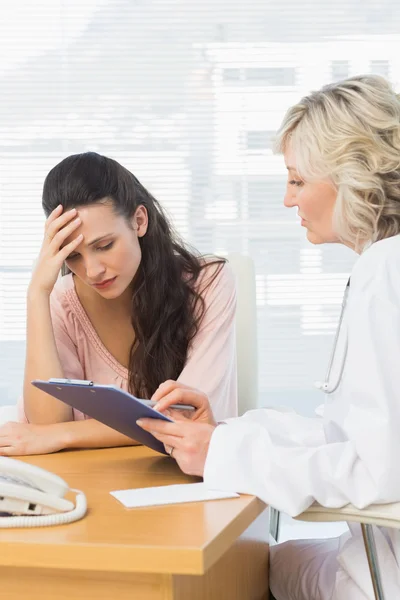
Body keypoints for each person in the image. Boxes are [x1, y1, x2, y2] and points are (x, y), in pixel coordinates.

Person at [137, 75, 400, 599]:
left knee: (250, 568)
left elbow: (377, 471)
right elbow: (357, 435)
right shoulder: (385, 265)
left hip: (384, 572)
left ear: (352, 176)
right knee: (274, 560)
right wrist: (227, 435)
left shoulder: (384, 274)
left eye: (298, 181)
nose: (286, 199)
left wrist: (221, 454)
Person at [0, 152, 237, 456]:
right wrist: (37, 295)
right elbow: (46, 425)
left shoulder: (209, 282)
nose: (93, 270)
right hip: (99, 485)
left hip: (194, 484)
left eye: (104, 246)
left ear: (139, 221)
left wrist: (63, 435)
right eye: (73, 255)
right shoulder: (63, 301)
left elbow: (186, 419)